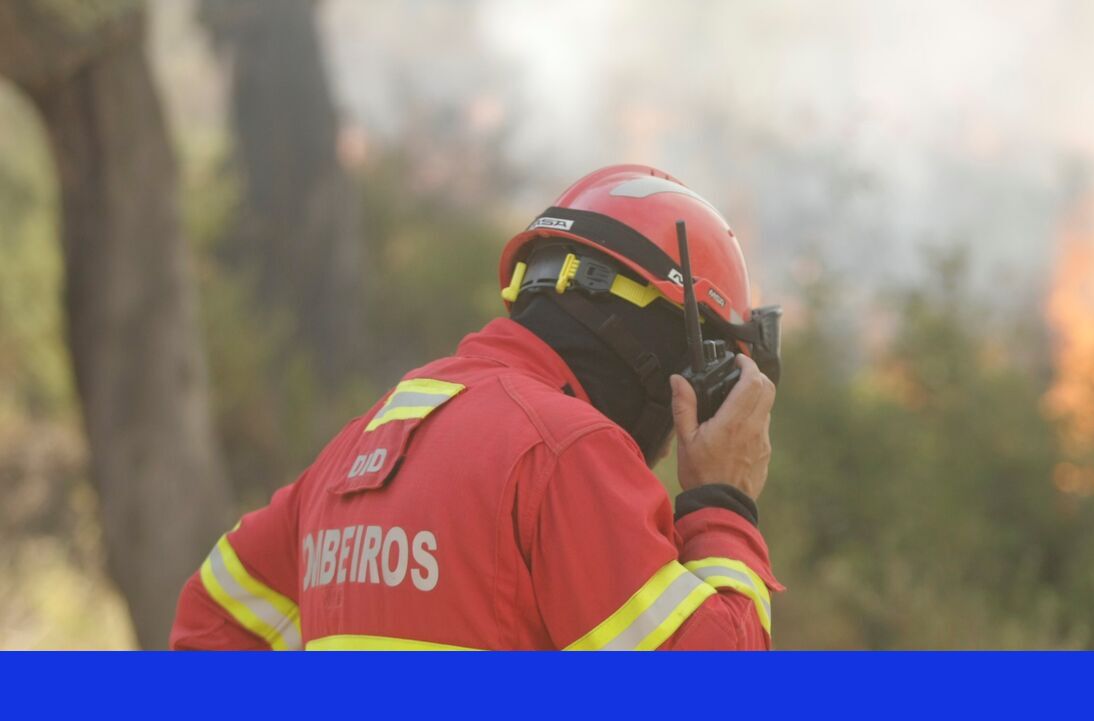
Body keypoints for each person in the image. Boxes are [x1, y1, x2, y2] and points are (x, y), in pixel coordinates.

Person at [170, 164, 784, 650]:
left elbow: (210, 622)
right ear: (676, 348)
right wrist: (723, 501)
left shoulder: (358, 447)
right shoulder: (566, 452)